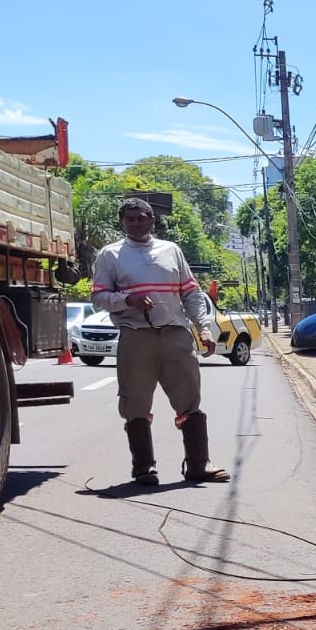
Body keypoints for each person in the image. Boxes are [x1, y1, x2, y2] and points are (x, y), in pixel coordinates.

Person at [91, 198, 230, 485]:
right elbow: (98, 298)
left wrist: (203, 328)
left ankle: (198, 464)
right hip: (135, 336)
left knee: (189, 399)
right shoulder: (110, 255)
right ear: (122, 223)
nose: (136, 222)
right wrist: (127, 299)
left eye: (141, 217)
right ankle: (143, 467)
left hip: (175, 335)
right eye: (129, 219)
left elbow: (191, 293)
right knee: (135, 404)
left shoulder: (171, 251)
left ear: (152, 220)